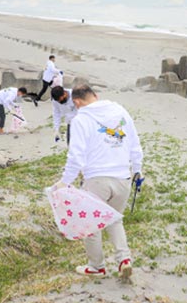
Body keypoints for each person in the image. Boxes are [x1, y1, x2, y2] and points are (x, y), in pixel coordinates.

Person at [53, 84, 143, 279]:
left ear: (76, 102)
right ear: (95, 95)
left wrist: (64, 182)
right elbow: (135, 143)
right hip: (123, 177)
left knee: (90, 224)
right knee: (114, 218)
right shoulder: (120, 110)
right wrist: (137, 170)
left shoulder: (80, 119)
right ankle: (124, 259)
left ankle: (97, 266)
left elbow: (76, 156)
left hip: (97, 179)